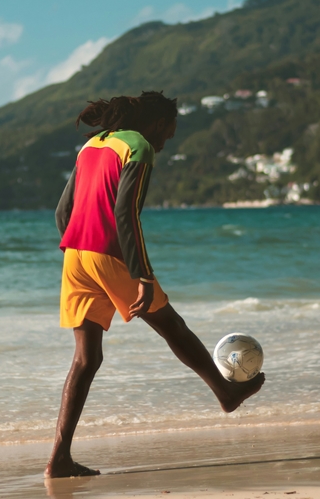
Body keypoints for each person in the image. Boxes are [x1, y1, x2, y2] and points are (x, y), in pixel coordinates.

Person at [46, 91, 266, 479]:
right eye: (170, 131)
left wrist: (81, 249)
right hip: (108, 252)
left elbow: (63, 212)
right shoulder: (139, 146)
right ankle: (226, 393)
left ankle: (59, 458)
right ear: (157, 124)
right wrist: (143, 275)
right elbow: (126, 213)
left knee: (86, 359)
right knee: (172, 325)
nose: (168, 141)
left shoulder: (92, 146)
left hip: (74, 255)